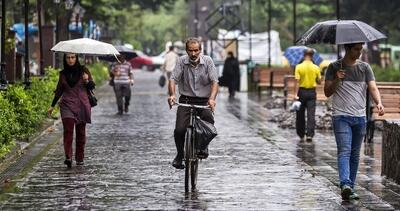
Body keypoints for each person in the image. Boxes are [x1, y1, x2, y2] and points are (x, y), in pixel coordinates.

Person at [324, 42, 384, 201]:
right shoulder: (333, 67)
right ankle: (345, 184)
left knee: (355, 154)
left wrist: (378, 102)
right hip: (341, 117)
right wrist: (337, 79)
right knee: (344, 150)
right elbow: (327, 92)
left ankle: (350, 186)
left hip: (360, 118)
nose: (359, 52)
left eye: (360, 49)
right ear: (347, 49)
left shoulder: (365, 68)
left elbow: (372, 88)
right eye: (356, 49)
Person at [167, 37, 219, 169]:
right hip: (186, 100)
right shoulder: (181, 61)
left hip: (204, 100)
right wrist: (172, 94)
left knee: (208, 123)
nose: (193, 54)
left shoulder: (208, 61)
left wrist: (212, 99)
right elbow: (173, 79)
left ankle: (203, 147)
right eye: (191, 51)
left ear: (200, 50)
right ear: (186, 51)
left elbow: (215, 82)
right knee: (179, 130)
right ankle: (179, 155)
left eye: (196, 50)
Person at [48, 53, 95, 168]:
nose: (70, 60)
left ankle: (80, 158)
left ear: (76, 58)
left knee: (80, 133)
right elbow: (59, 90)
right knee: (68, 131)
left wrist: (87, 80)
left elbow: (92, 86)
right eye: (68, 57)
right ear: (65, 59)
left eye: (73, 57)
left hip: (82, 105)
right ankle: (68, 157)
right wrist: (52, 105)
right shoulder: (63, 74)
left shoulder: (84, 70)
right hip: (67, 105)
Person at [294, 48, 321, 142]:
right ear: (312, 56)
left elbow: (297, 82)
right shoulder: (316, 67)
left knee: (300, 114)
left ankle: (301, 133)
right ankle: (310, 134)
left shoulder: (298, 67)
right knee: (311, 114)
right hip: (312, 92)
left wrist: (295, 94)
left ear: (304, 55)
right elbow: (319, 81)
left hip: (301, 92)